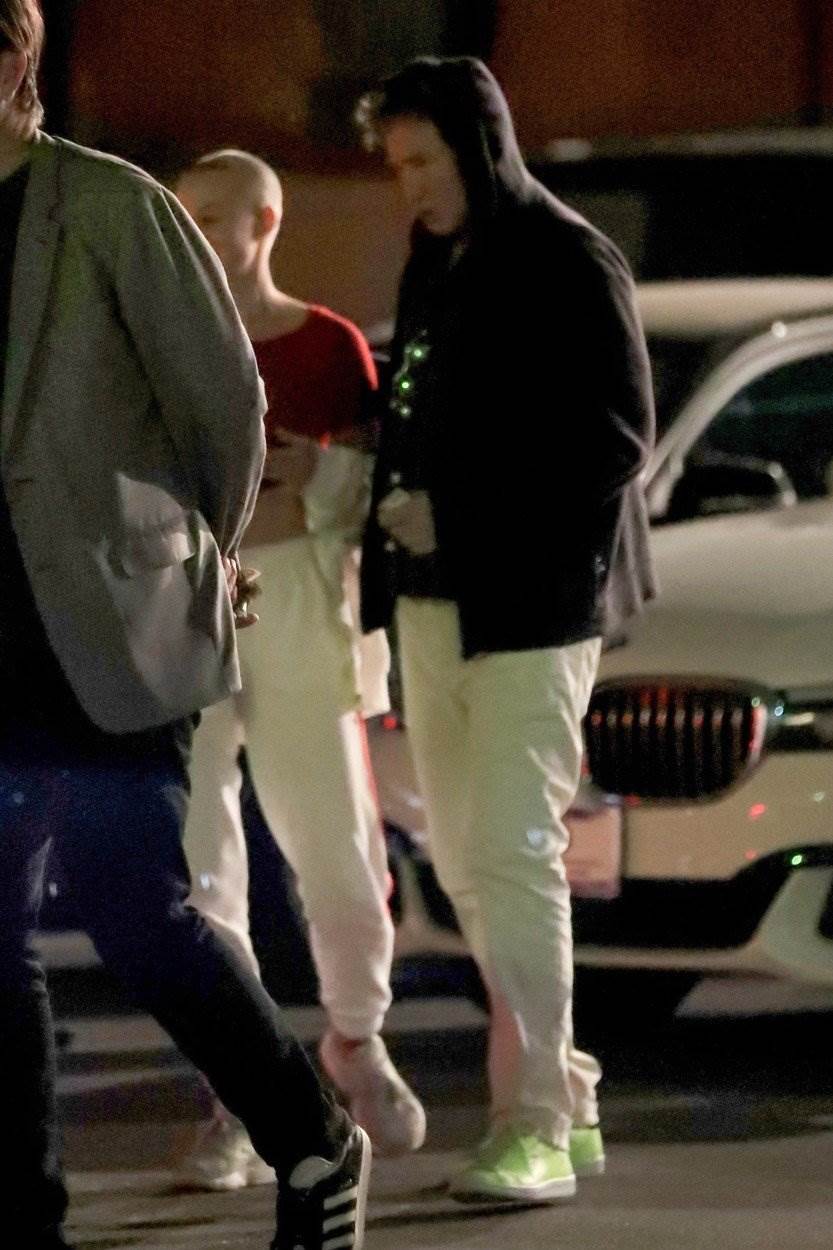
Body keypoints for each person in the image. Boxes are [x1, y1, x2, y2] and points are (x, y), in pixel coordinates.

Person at [0, 5, 370, 1248]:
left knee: (138, 911)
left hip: (106, 627)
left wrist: (188, 561)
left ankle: (310, 1133)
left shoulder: (110, 205)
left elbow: (221, 406)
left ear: (15, 58)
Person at [356, 55, 657, 1204]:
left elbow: (616, 437)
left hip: (532, 604)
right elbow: (416, 412)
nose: (409, 185)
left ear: (479, 146)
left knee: (510, 852)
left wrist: (457, 510)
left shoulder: (565, 255)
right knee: (469, 858)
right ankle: (559, 1092)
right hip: (438, 600)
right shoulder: (440, 256)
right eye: (395, 165)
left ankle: (533, 1117)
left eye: (423, 160)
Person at [172, 149, 425, 1188]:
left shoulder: (325, 344)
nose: (193, 233)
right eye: (184, 215)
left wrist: (313, 476)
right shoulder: (165, 338)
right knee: (200, 856)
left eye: (212, 216)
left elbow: (367, 487)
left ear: (264, 222)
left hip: (299, 610)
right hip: (186, 605)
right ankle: (233, 1089)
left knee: (335, 838)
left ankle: (356, 1039)